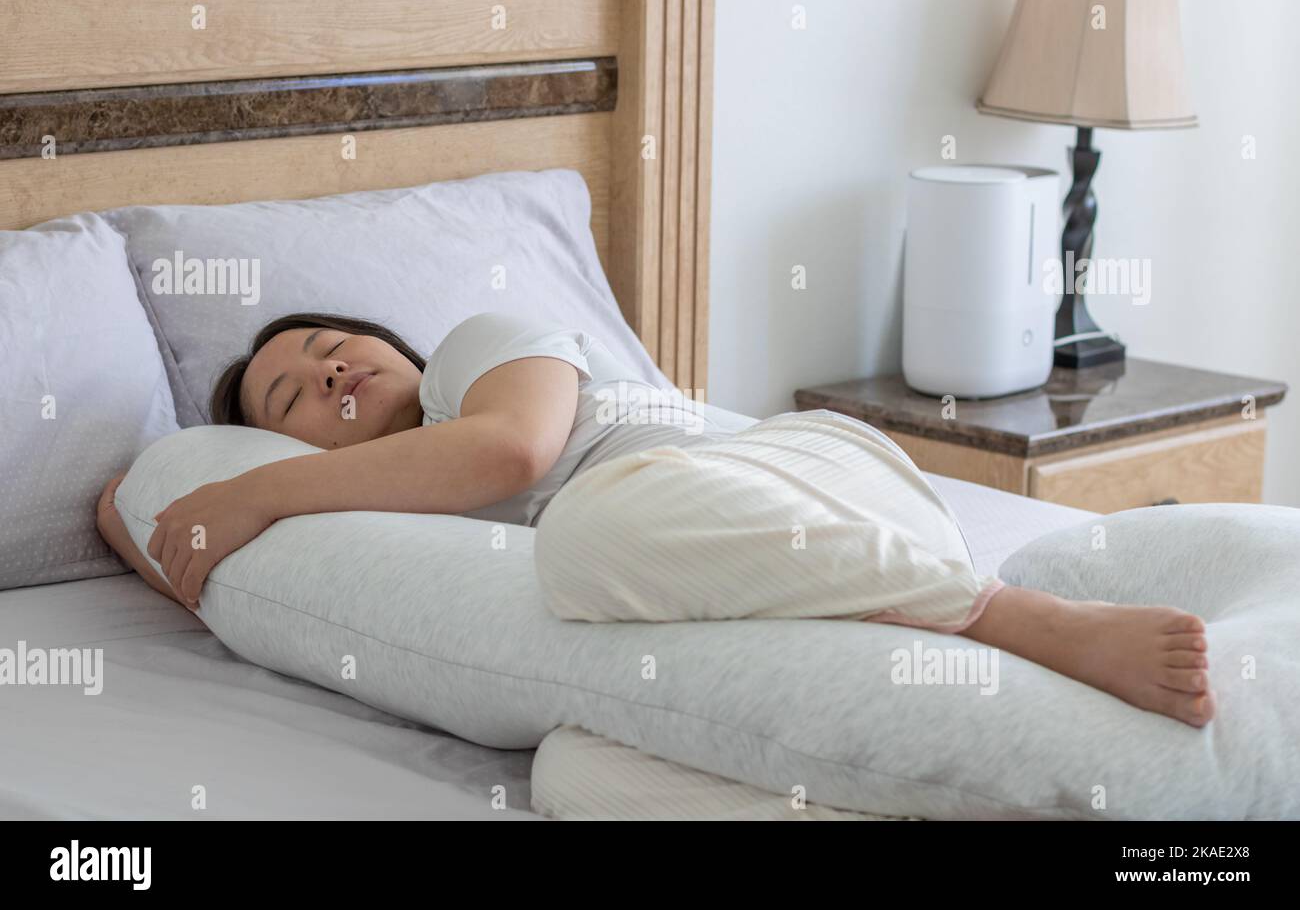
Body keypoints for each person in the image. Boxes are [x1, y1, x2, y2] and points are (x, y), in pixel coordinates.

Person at [96, 311, 1215, 728]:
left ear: (394, 344)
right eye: (291, 395)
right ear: (302, 441)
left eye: (333, 343)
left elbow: (513, 451)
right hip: (718, 569)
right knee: (578, 775)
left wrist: (257, 487)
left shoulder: (484, 353)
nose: (326, 367)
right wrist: (115, 507)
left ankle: (1025, 616)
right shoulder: (369, 503)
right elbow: (181, 562)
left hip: (798, 474)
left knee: (581, 538)